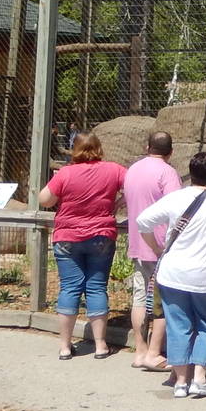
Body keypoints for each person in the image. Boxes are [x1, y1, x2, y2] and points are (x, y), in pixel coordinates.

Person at [134, 151, 206, 398]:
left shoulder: (177, 198)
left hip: (173, 274)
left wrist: (155, 247)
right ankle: (200, 378)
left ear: (191, 173)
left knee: (179, 326)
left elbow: (143, 220)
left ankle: (180, 382)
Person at [39, 132, 125, 360]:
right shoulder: (114, 170)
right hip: (101, 235)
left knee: (69, 288)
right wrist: (119, 202)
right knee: (97, 287)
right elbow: (134, 186)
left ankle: (66, 346)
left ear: (74, 149)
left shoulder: (66, 172)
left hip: (67, 236)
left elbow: (45, 200)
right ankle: (100, 345)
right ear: (98, 147)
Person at [123, 129, 182, 370]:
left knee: (139, 296)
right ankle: (155, 353)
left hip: (138, 241)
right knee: (162, 300)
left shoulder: (133, 169)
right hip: (162, 247)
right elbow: (177, 208)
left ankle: (140, 350)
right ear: (171, 151)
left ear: (148, 148)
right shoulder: (168, 173)